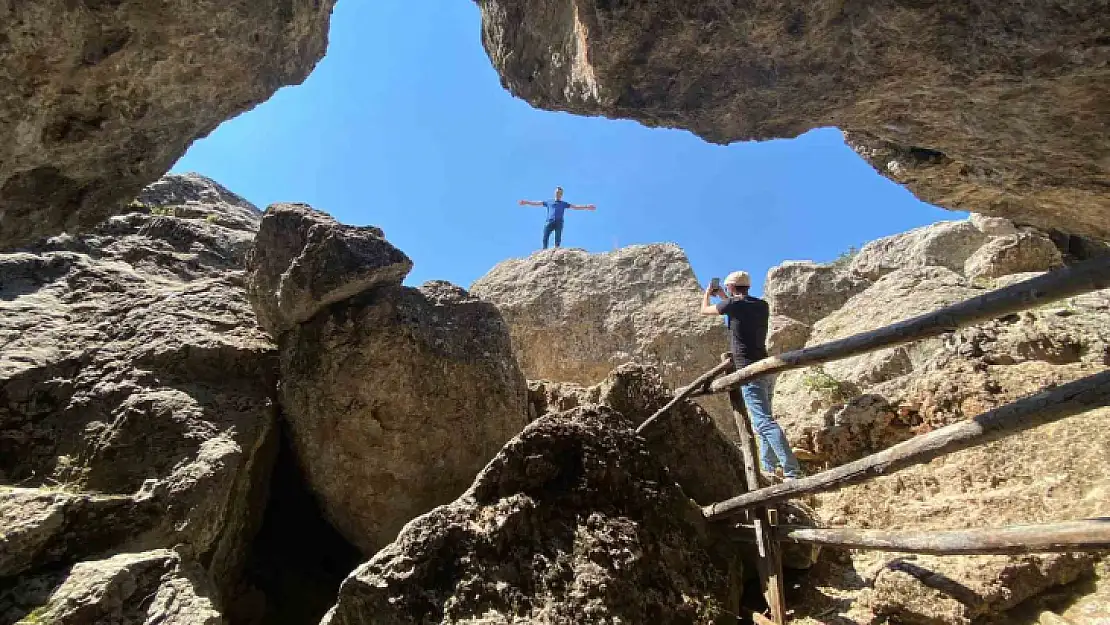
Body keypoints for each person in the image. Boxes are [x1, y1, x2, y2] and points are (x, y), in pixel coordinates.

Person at [700, 270, 804, 480]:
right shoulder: (761, 305)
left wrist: (707, 293)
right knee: (764, 420)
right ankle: (769, 467)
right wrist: (724, 296)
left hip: (748, 369)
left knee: (763, 422)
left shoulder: (733, 306)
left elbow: (705, 310)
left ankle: (792, 471)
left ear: (729, 287)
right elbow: (736, 307)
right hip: (766, 367)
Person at [518, 186, 596, 249]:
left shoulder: (563, 203)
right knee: (545, 236)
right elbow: (537, 203)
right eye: (557, 192)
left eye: (560, 193)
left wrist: (587, 206)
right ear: (554, 193)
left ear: (561, 195)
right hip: (549, 221)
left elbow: (575, 207)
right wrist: (526, 202)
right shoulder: (549, 202)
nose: (558, 193)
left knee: (558, 238)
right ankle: (544, 250)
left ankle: (556, 249)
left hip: (559, 222)